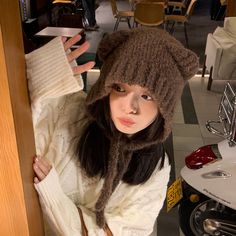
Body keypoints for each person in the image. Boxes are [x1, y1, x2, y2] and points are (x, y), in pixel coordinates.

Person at [25, 28, 199, 235]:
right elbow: (14, 127)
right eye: (120, 88)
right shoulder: (68, 112)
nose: (129, 107)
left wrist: (53, 198)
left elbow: (125, 232)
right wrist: (34, 75)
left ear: (165, 107)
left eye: (147, 96)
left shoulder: (156, 169)